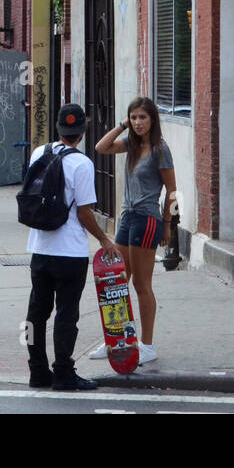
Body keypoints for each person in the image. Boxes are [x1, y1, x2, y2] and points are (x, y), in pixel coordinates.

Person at [25, 103, 113, 392]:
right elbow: (86, 214)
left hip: (39, 248)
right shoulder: (83, 164)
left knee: (36, 313)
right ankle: (63, 371)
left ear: (59, 128)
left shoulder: (39, 153)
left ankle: (37, 371)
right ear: (82, 132)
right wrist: (103, 239)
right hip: (70, 253)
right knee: (66, 313)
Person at [91, 96, 176, 366]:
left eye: (143, 118)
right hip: (127, 217)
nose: (138, 123)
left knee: (141, 285)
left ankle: (147, 345)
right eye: (135, 118)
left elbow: (173, 191)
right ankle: (115, 340)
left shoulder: (160, 150)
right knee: (117, 281)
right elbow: (101, 147)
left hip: (147, 220)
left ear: (153, 120)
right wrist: (122, 125)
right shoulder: (129, 143)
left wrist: (168, 224)